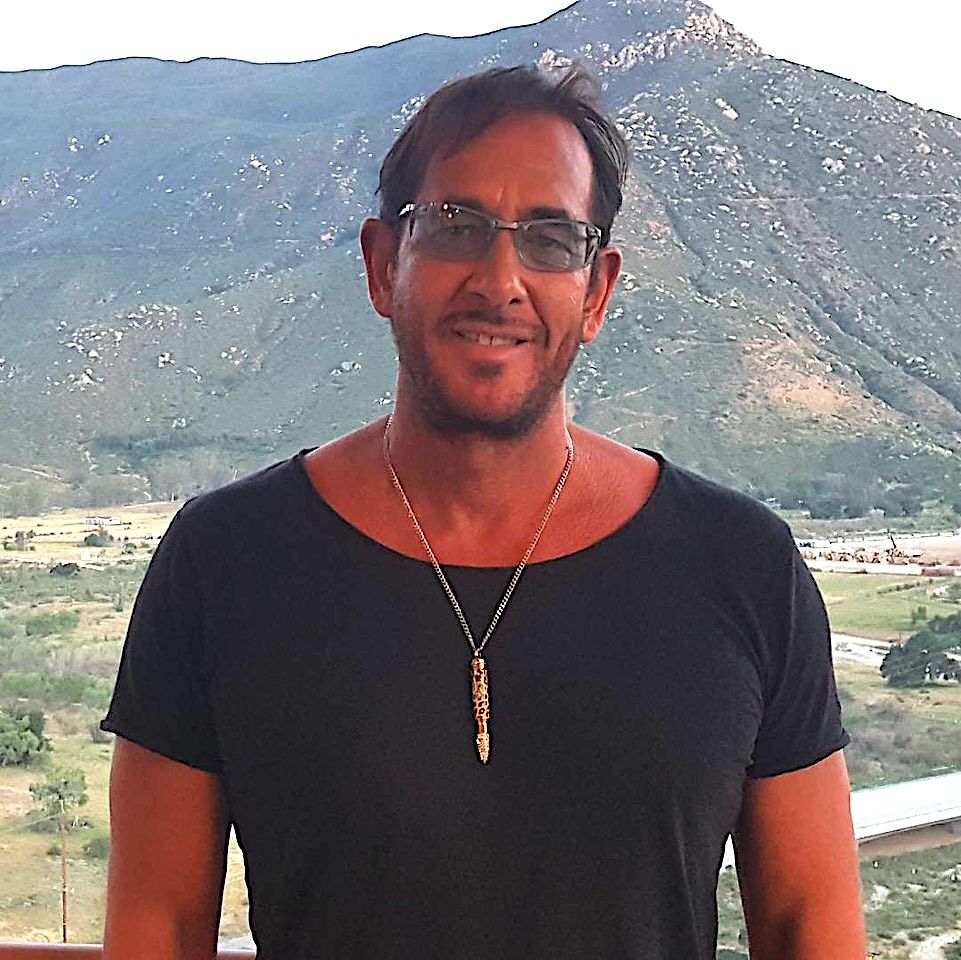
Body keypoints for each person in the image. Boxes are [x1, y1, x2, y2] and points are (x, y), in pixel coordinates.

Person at [101, 64, 866, 959]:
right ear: (383, 266)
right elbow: (157, 925)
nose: (500, 281)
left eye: (550, 239)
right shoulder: (226, 560)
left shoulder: (739, 565)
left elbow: (809, 927)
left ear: (596, 292)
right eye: (455, 226)